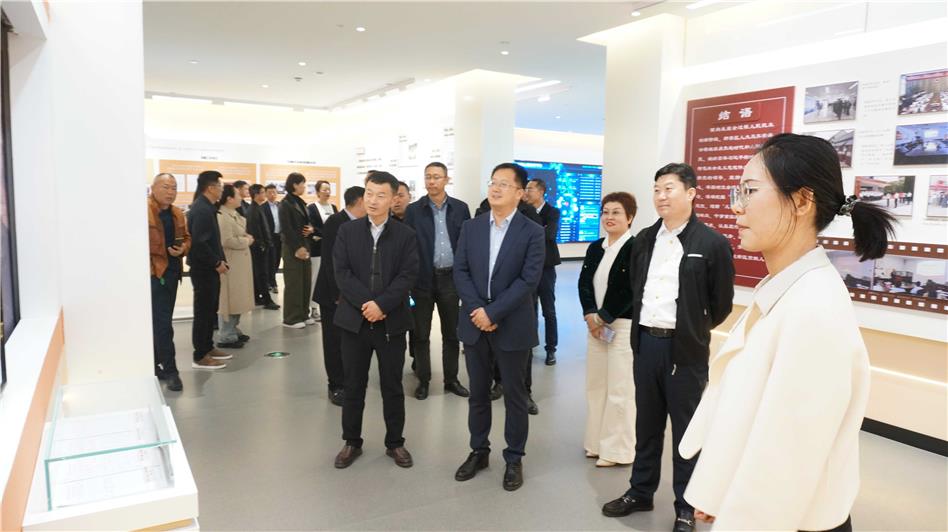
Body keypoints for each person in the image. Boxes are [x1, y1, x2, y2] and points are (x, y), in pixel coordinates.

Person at [679, 133, 892, 531]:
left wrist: (740, 510)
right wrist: (723, 486)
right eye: (738, 192)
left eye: (750, 191)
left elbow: (787, 455)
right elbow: (753, 408)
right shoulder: (786, 287)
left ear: (801, 201)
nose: (737, 207)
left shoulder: (814, 307)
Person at [602, 162, 735, 532]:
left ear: (691, 193)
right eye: (657, 189)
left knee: (686, 432)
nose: (661, 196)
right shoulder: (645, 239)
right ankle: (640, 491)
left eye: (669, 188)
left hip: (685, 351)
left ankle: (686, 506)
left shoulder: (711, 243)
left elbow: (721, 304)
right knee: (646, 424)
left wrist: (692, 329)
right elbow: (637, 288)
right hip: (645, 343)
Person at [453, 162, 545, 492]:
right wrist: (478, 310)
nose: (495, 188)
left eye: (504, 184)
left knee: (515, 396)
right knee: (478, 393)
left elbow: (528, 280)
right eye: (493, 182)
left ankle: (514, 458)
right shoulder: (471, 227)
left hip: (512, 324)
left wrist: (492, 313)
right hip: (474, 323)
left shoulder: (532, 232)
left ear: (520, 193)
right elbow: (461, 271)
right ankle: (478, 451)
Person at [332, 172, 419, 469]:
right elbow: (341, 272)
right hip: (354, 322)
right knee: (353, 385)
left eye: (380, 195)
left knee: (392, 385)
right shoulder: (347, 231)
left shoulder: (406, 235)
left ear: (393, 199)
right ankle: (351, 442)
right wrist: (366, 304)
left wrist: (381, 305)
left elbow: (408, 275)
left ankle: (395, 443)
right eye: (369, 193)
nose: (372, 200)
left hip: (391, 322)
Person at [577, 192, 637, 467]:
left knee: (620, 389)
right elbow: (584, 282)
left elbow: (629, 289)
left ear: (630, 218)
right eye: (605, 212)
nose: (609, 217)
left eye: (616, 212)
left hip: (621, 326)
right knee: (596, 385)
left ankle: (617, 450)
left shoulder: (635, 248)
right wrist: (590, 314)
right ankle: (595, 443)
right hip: (595, 326)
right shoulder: (596, 247)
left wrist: (603, 317)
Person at [404, 161, 471, 400]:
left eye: (436, 177)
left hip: (450, 279)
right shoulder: (413, 211)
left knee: (451, 333)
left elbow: (467, 245)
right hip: (422, 280)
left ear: (446, 179)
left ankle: (451, 379)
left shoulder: (460, 208)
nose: (431, 181)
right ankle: (423, 380)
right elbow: (407, 247)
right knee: (420, 334)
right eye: (428, 177)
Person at [315, 186, 365, 406]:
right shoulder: (336, 222)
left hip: (351, 293)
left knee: (350, 341)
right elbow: (330, 261)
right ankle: (335, 385)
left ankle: (349, 381)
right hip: (332, 295)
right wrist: (338, 293)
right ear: (359, 201)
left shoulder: (362, 223)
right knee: (333, 341)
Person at [148, 173, 191, 391]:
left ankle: (156, 366)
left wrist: (183, 249)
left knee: (160, 322)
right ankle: (171, 371)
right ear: (153, 188)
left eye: (174, 188)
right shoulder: (144, 212)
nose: (171, 192)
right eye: (166, 187)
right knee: (162, 324)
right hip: (154, 274)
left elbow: (187, 238)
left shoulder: (177, 213)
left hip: (172, 274)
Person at [187, 170, 233, 370]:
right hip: (204, 269)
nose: (222, 190)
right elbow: (200, 243)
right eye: (220, 187)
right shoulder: (202, 209)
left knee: (210, 310)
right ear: (211, 188)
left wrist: (220, 260)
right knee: (203, 312)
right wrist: (216, 263)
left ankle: (207, 347)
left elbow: (211, 241)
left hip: (210, 268)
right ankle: (200, 355)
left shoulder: (207, 207)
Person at [524, 178, 561, 366]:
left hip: (546, 268)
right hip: (528, 268)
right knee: (529, 310)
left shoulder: (552, 212)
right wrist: (540, 229)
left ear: (541, 191)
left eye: (530, 189)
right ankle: (529, 345)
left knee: (549, 310)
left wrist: (533, 228)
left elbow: (549, 235)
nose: (526, 192)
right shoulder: (523, 210)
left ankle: (551, 348)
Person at [216, 184, 256, 349]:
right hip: (231, 264)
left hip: (239, 264)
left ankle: (233, 329)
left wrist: (245, 237)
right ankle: (226, 335)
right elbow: (226, 240)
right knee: (229, 300)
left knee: (238, 299)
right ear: (229, 199)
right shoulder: (222, 216)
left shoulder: (233, 214)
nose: (241, 197)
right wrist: (246, 240)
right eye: (238, 195)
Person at [279, 172, 315, 329]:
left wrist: (311, 229)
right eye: (302, 184)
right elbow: (286, 228)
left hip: (305, 244)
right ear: (294, 184)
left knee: (305, 281)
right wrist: (297, 247)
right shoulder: (285, 204)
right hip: (292, 247)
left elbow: (306, 223)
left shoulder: (301, 202)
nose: (304, 187)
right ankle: (291, 318)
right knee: (294, 282)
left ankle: (303, 314)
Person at [306, 180, 338, 321]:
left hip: (333, 249)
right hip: (317, 249)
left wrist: (321, 234)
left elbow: (336, 227)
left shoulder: (333, 207)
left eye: (328, 189)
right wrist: (321, 233)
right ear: (318, 191)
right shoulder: (312, 208)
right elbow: (311, 229)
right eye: (324, 189)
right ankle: (313, 308)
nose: (327, 192)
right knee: (315, 279)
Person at [245, 184, 280, 310]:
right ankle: (267, 300)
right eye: (263, 192)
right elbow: (255, 230)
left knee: (259, 273)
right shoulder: (253, 210)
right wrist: (262, 245)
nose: (264, 194)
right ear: (256, 195)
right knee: (262, 273)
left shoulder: (257, 208)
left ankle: (257, 297)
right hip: (259, 248)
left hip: (262, 246)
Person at [263, 184, 282, 292]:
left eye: (274, 192)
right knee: (270, 260)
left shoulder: (280, 205)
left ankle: (271, 280)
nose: (272, 194)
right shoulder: (263, 207)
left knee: (277, 260)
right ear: (266, 194)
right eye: (269, 192)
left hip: (280, 237)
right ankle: (272, 283)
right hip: (269, 237)